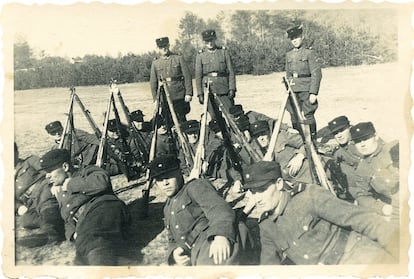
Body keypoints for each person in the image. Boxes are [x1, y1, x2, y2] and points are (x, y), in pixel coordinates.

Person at [241, 161, 399, 265]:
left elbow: (361, 219)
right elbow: (270, 267)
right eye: (253, 192)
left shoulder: (309, 196)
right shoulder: (266, 226)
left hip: (355, 258)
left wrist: (398, 244)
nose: (257, 198)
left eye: (262, 190)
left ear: (279, 183)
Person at [39, 148, 131, 265]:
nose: (47, 176)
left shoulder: (87, 171)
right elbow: (67, 218)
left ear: (65, 167)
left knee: (93, 245)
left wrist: (70, 184)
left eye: (50, 171)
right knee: (81, 257)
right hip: (85, 223)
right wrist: (73, 234)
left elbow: (102, 182)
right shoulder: (58, 190)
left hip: (104, 208)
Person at [149, 154, 239, 266]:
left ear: (179, 173)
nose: (165, 183)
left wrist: (221, 235)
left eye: (168, 177)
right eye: (159, 179)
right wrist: (174, 254)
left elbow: (218, 208)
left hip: (210, 243)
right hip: (193, 254)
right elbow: (172, 239)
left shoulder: (195, 187)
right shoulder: (167, 208)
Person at [14, 143, 65, 247]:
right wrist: (18, 207)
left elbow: (49, 170)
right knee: (26, 221)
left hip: (42, 188)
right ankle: (58, 227)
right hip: (29, 202)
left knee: (45, 203)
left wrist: (54, 184)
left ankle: (51, 234)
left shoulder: (30, 161)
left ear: (17, 152)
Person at [349, 122, 399, 219]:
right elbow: (362, 196)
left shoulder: (394, 148)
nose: (362, 144)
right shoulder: (363, 168)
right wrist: (383, 208)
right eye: (358, 141)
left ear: (376, 136)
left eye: (366, 138)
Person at [285, 25, 322, 141]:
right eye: (292, 38)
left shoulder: (309, 53)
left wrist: (313, 92)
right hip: (293, 89)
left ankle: (312, 139)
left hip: (306, 88)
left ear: (302, 37)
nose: (294, 41)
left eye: (296, 37)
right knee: (293, 115)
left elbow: (316, 73)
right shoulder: (288, 55)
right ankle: (300, 140)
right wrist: (288, 89)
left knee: (308, 114)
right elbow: (288, 74)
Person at [249, 120, 313, 184]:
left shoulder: (281, 137)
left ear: (269, 132)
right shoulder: (257, 155)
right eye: (257, 136)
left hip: (307, 173)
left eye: (263, 134)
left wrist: (300, 157)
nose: (261, 138)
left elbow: (307, 143)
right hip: (290, 184)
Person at [150, 37, 193, 123]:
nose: (164, 49)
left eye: (165, 46)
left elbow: (187, 76)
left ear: (169, 45)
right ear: (158, 49)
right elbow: (153, 83)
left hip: (179, 95)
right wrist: (155, 99)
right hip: (164, 97)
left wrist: (189, 93)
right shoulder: (156, 63)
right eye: (161, 47)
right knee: (168, 120)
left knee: (182, 120)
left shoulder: (178, 58)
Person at [195, 29, 236, 112]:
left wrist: (232, 88)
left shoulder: (223, 52)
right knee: (214, 118)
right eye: (207, 41)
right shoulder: (200, 55)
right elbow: (198, 76)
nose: (209, 43)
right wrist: (200, 93)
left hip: (223, 88)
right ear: (204, 42)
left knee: (230, 114)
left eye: (211, 40)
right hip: (208, 90)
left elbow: (231, 72)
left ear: (215, 39)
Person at [324, 115, 362, 201]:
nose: (339, 135)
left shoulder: (362, 140)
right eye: (335, 133)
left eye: (341, 130)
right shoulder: (338, 153)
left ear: (350, 127)